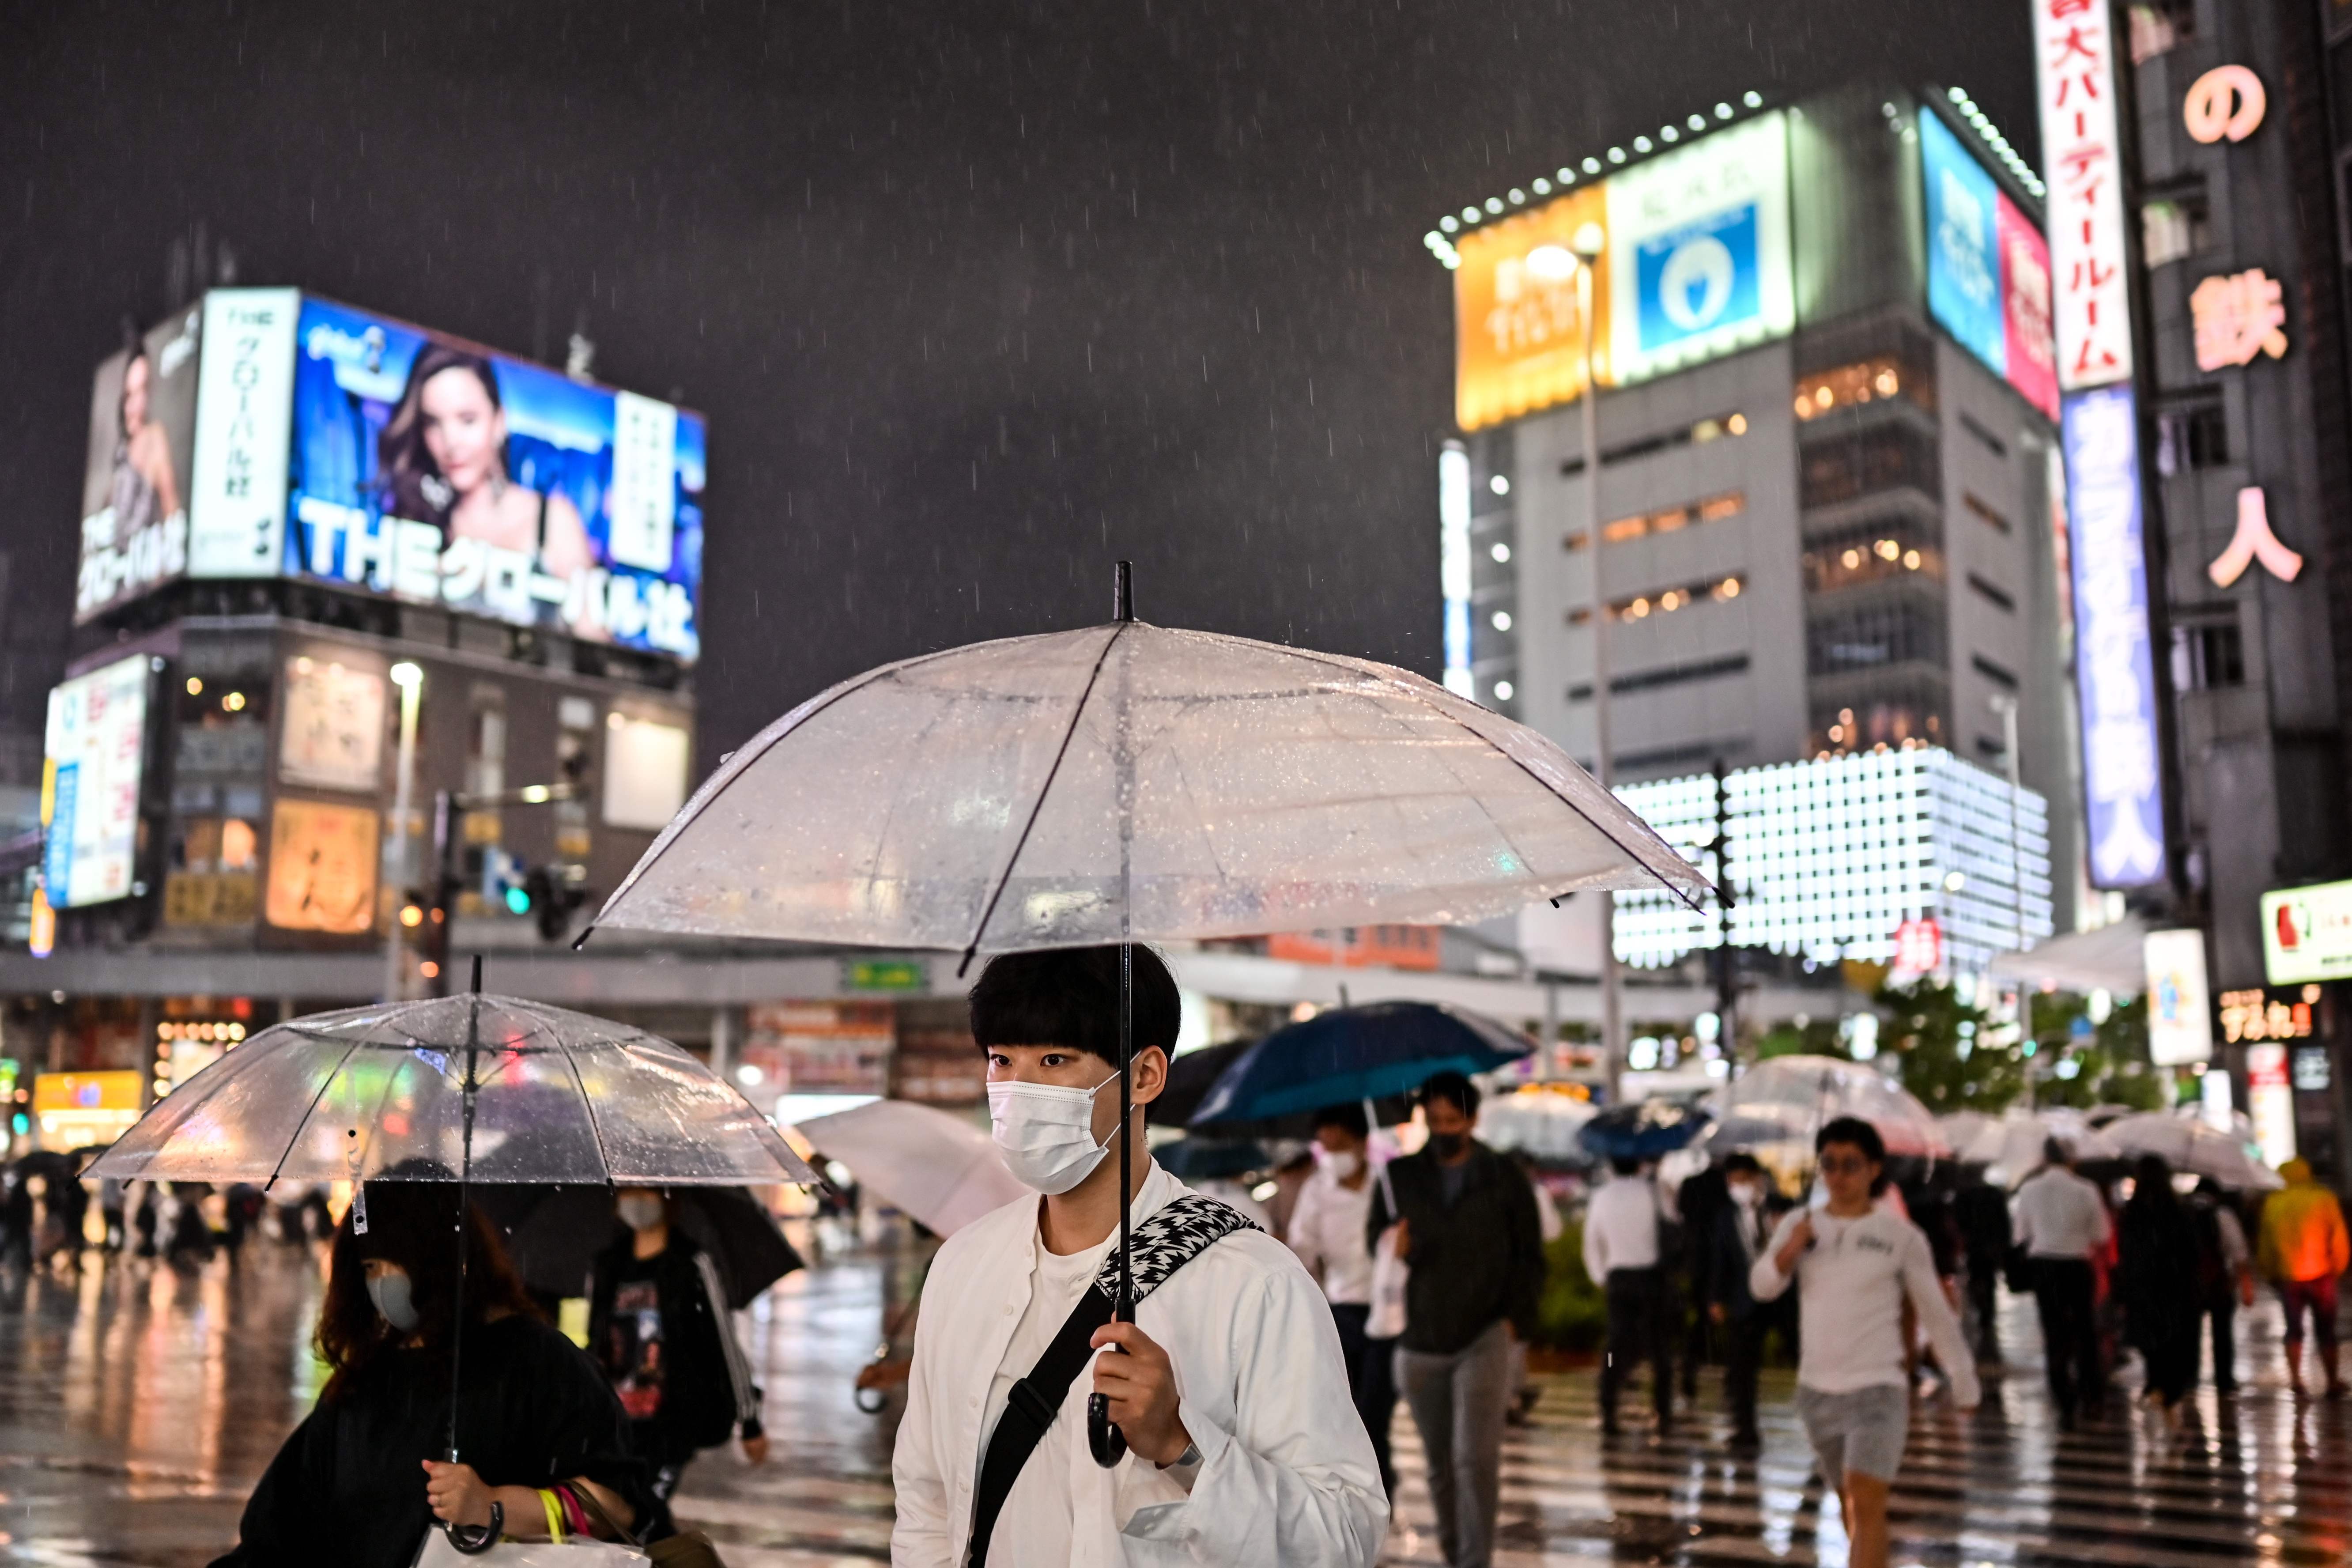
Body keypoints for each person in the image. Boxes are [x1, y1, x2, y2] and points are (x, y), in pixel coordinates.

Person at [891, 946, 1384, 1567]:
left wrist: (1181, 1444)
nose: (1018, 1089)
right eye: (1001, 1060)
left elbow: (1343, 1536)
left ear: (1145, 1075)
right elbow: (925, 1497)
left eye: (1054, 1059)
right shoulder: (963, 1264)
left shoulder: (1253, 1281)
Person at [213, 1172, 651, 1566]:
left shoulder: (540, 1361)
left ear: (436, 1254)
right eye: (368, 1267)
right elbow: (283, 1527)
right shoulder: (366, 1380)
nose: (380, 1281)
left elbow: (616, 1503)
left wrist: (493, 1506)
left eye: (392, 1261)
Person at [1750, 1118, 1979, 1568]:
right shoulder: (1801, 1223)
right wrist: (1791, 1246)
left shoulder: (1899, 1235)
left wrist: (1963, 1376)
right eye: (1829, 1164)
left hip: (1878, 1389)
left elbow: (1933, 1308)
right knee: (1851, 1505)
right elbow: (1761, 1286)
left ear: (1873, 1169)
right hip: (1816, 1390)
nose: (1838, 1175)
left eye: (1850, 1164)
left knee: (1866, 1497)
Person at [1370, 1073, 1543, 1568]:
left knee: (1475, 1459)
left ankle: (1474, 1560)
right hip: (1419, 1339)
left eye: (1454, 1119)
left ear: (1472, 1118)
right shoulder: (1399, 1177)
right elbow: (1374, 1244)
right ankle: (1453, 1551)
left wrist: (1515, 1321)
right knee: (1440, 1465)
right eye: (1435, 1119)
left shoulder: (1503, 1175)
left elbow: (1528, 1254)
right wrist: (1392, 1246)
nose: (1444, 1128)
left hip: (1484, 1334)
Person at [588, 1187, 770, 1526]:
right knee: (627, 1517)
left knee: (645, 1511)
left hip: (672, 1420)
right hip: (616, 1423)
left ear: (667, 1199)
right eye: (628, 1190)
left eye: (647, 1190)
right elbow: (593, 1342)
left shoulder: (692, 1263)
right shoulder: (607, 1265)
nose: (637, 1199)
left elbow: (724, 1341)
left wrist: (750, 1419)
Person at [378, 345, 594, 581]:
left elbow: (590, 616)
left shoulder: (553, 520)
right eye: (433, 423)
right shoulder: (418, 522)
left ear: (499, 421)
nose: (451, 443)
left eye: (468, 420)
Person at [1286, 1103, 1397, 1498]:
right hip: (1339, 1314)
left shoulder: (1388, 1187)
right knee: (1342, 1414)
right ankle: (1348, 1498)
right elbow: (1301, 1247)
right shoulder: (1316, 1190)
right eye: (1324, 1146)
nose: (1332, 1155)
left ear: (1362, 1142)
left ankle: (1382, 1495)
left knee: (1375, 1414)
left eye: (1340, 1145)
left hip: (1387, 1314)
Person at [2011, 1138, 2112, 1428]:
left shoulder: (2029, 1190)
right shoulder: (2086, 1190)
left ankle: (2063, 1399)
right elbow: (2101, 1234)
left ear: (2044, 1159)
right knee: (2085, 1332)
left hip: (2044, 1267)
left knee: (2053, 1332)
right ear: (2072, 1160)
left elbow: (2020, 1233)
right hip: (2077, 1265)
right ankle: (2091, 1397)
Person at [1582, 1155, 1673, 1438]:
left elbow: (1591, 1242)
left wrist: (1601, 1277)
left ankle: (1608, 1408)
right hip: (1651, 1278)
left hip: (1619, 1279)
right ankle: (1663, 1410)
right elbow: (1674, 1220)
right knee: (1659, 1348)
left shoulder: (1602, 1197)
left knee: (1614, 1347)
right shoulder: (1654, 1191)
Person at [1709, 1152, 1791, 1447]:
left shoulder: (1781, 1207)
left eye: (1744, 1179)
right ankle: (1746, 1429)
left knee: (1801, 1358)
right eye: (1733, 1181)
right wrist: (1716, 1298)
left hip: (1783, 1298)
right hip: (1745, 1299)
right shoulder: (1726, 1216)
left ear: (1758, 1178)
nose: (1738, 1186)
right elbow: (1720, 1259)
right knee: (1742, 1367)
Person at [2256, 1157, 2351, 1399]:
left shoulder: (2274, 1203)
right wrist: (2338, 1267)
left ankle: (2297, 1380)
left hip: (2289, 1277)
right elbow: (2338, 1236)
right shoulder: (2323, 1198)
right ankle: (2332, 1381)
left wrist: (2270, 1272)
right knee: (2327, 1332)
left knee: (2294, 1330)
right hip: (2322, 1275)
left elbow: (2266, 1243)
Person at [2115, 1155, 2200, 1423]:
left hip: (2143, 1287)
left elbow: (2126, 1253)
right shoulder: (2179, 1210)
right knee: (2174, 1339)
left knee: (2152, 1340)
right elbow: (2191, 1253)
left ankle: (2156, 1386)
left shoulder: (2132, 1212)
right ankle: (2170, 1395)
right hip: (2176, 1286)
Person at [2188, 1179, 2252, 1393]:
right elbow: (2239, 1252)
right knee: (2223, 1333)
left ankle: (2191, 1379)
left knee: (2190, 1334)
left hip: (2191, 1285)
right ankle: (2224, 1381)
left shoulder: (2183, 1212)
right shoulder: (2223, 1215)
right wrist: (2245, 1285)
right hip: (2219, 1283)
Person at [1953, 1175, 2013, 1361]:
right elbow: (2005, 1223)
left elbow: (1959, 1222)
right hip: (1991, 1247)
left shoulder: (1963, 1196)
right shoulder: (1995, 1195)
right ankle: (1988, 1312)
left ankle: (1982, 1307)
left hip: (1974, 1247)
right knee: (1989, 1280)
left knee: (1978, 1277)